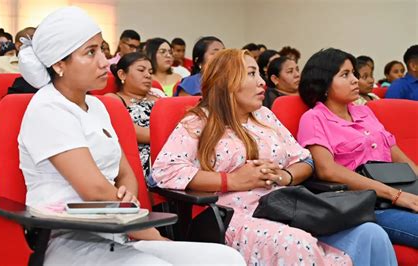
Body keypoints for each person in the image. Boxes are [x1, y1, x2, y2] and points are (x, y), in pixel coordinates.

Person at [17, 6, 245, 265]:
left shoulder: (97, 106)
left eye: (102, 49)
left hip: (117, 231)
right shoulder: (48, 108)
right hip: (67, 238)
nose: (105, 61)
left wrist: (126, 197)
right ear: (59, 64)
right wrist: (139, 223)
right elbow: (93, 189)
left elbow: (125, 171)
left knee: (226, 259)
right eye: (90, 53)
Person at [151, 48, 397, 266]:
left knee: (371, 234)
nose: (262, 83)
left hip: (287, 205)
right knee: (297, 243)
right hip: (236, 214)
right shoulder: (200, 121)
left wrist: (286, 175)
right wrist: (232, 180)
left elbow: (305, 160)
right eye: (251, 74)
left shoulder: (265, 116)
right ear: (226, 81)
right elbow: (164, 171)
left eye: (260, 74)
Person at [297, 48, 418, 249]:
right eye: (345, 75)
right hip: (368, 204)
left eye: (353, 73)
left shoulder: (364, 112)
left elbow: (398, 155)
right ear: (324, 83)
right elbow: (327, 170)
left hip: (401, 193)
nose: (355, 80)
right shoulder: (314, 118)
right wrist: (395, 195)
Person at [106, 52, 165, 180]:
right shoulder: (113, 100)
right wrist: (173, 136)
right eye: (141, 70)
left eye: (150, 71)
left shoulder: (159, 96)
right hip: (139, 158)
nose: (148, 75)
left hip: (172, 150)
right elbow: (130, 132)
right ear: (122, 74)